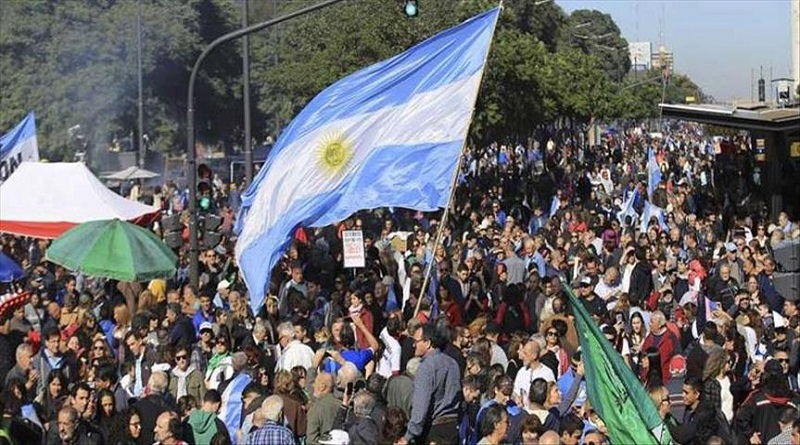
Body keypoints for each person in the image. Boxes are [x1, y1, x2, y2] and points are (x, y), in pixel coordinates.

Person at [401, 324, 461, 445]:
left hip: (433, 431)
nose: (413, 345)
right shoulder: (453, 363)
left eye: (416, 341)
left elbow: (420, 407)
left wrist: (408, 436)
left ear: (428, 343)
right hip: (452, 428)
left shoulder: (426, 367)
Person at [306, 372, 340, 445]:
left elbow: (311, 440)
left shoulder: (316, 408)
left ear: (322, 386)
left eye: (315, 382)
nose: (313, 385)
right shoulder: (341, 405)